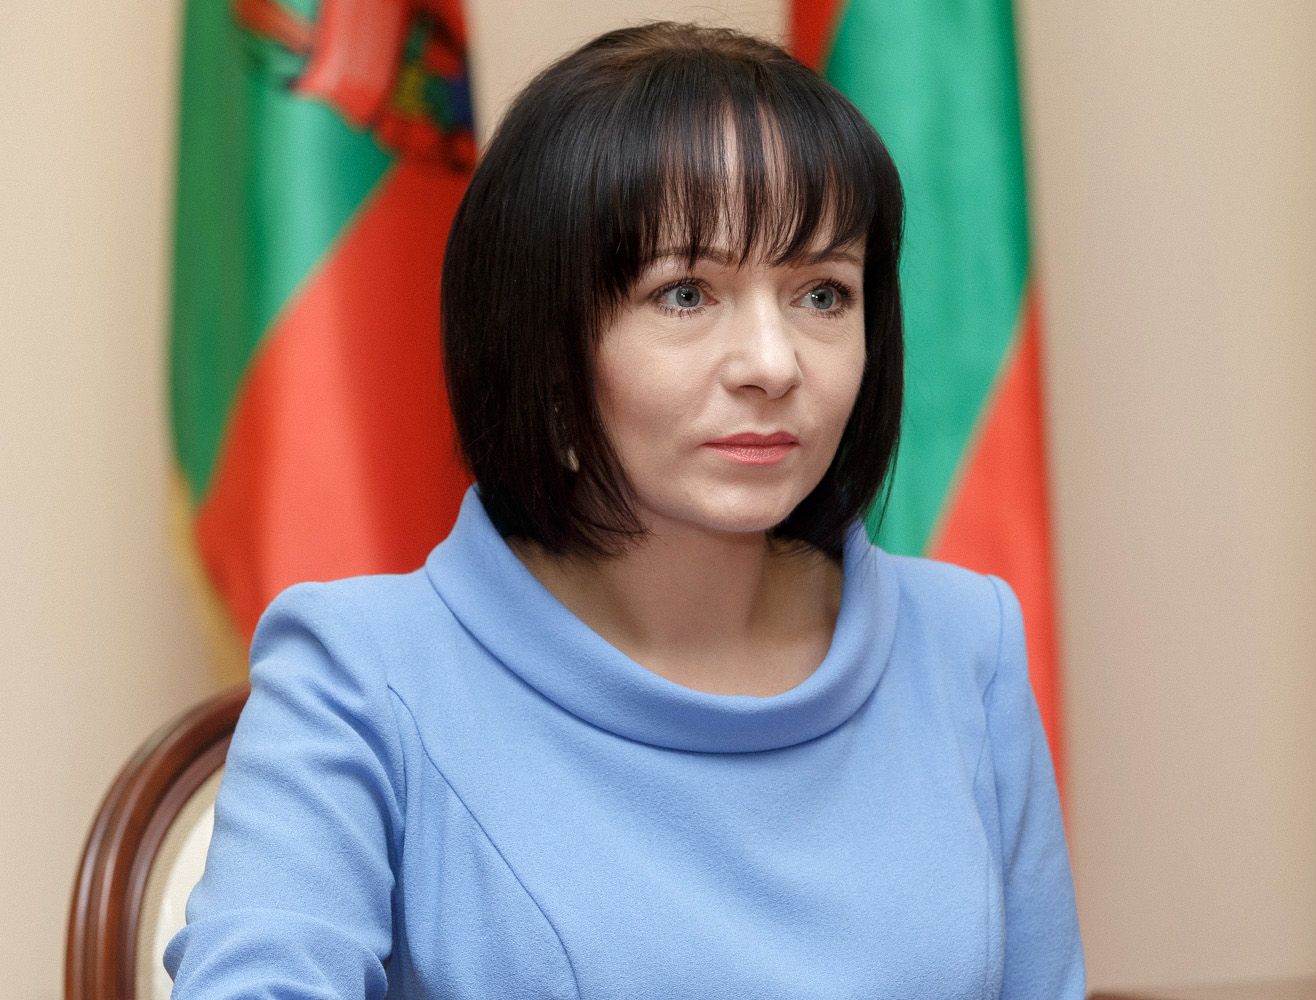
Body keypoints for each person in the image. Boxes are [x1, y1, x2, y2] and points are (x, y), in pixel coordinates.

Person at [165, 21, 1084, 999]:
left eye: (822, 293)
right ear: (543, 338)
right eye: (686, 293)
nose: (773, 364)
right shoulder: (359, 671)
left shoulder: (966, 645)